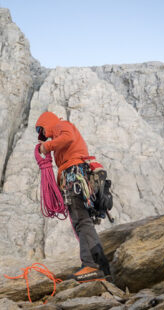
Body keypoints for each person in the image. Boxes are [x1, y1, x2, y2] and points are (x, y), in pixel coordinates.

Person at [35, 111, 111, 282]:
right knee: (83, 221)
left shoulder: (61, 126)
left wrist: (46, 147)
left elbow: (67, 137)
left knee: (81, 220)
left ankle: (91, 266)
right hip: (76, 173)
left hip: (74, 174)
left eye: (41, 130)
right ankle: (101, 267)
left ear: (46, 124)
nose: (43, 135)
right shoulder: (60, 129)